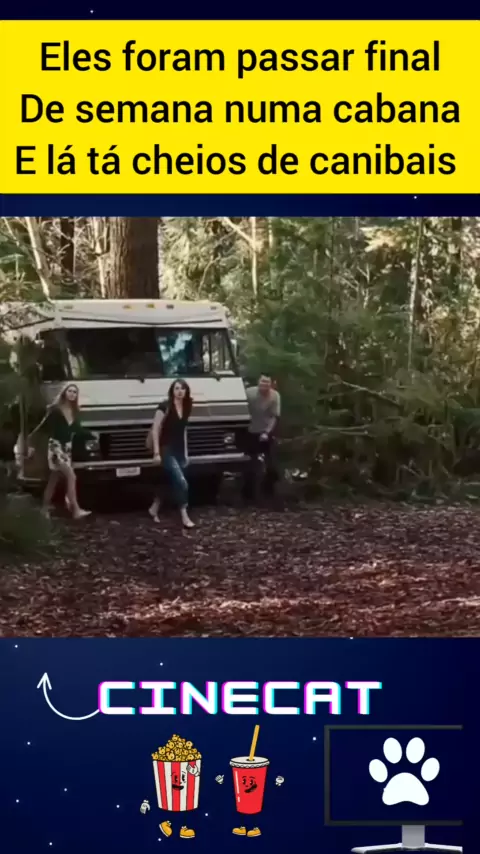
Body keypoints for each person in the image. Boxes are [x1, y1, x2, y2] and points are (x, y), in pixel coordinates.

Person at [27, 383, 93, 519]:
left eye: (75, 392)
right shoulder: (55, 410)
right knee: (71, 476)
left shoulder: (74, 411)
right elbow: (41, 428)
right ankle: (76, 510)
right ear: (64, 393)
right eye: (70, 391)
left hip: (67, 448)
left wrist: (92, 436)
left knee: (53, 480)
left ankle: (44, 508)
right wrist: (31, 444)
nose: (72, 394)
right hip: (56, 447)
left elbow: (78, 430)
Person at [148, 379, 195, 529]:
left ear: (186, 391)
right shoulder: (164, 406)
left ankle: (154, 507)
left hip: (179, 449)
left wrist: (186, 452)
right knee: (182, 482)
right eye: (177, 388)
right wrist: (156, 452)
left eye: (182, 389)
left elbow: (184, 430)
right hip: (166, 448)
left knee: (170, 480)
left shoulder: (187, 406)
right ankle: (184, 515)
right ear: (172, 391)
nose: (180, 391)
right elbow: (155, 429)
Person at [242, 374, 281, 502]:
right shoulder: (249, 393)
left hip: (266, 431)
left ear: (271, 384)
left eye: (267, 382)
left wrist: (267, 432)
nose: (264, 385)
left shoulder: (275, 396)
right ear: (258, 382)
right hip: (250, 431)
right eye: (262, 382)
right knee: (250, 464)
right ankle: (247, 495)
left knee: (272, 464)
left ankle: (269, 492)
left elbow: (274, 416)